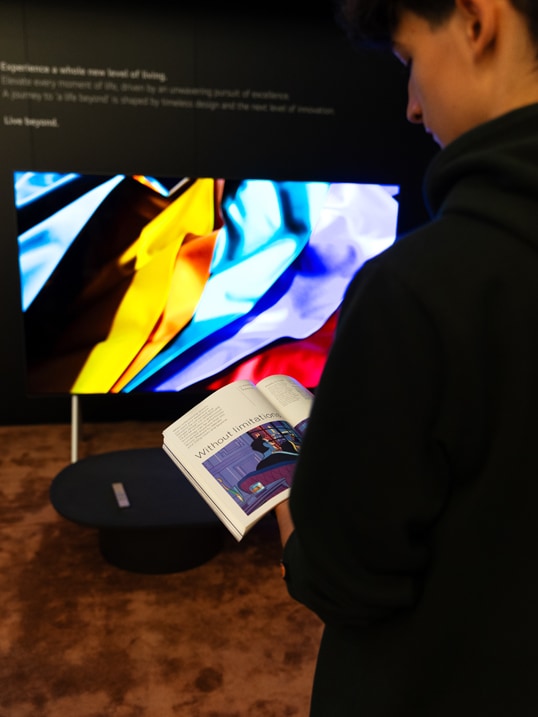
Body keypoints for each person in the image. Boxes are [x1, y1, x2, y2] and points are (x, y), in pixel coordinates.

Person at [273, 0, 538, 714]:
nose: (413, 108)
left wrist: (289, 508)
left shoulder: (414, 290)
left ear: (478, 21)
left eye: (409, 63)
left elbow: (341, 578)